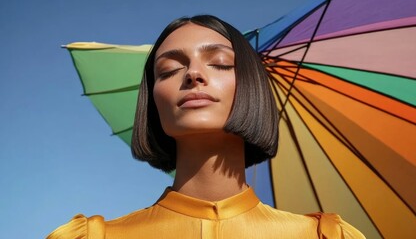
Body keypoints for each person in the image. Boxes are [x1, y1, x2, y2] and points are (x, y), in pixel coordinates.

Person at [47, 15, 365, 239]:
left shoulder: (324, 236)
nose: (194, 74)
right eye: (169, 69)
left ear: (252, 87)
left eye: (221, 63)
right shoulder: (94, 237)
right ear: (152, 100)